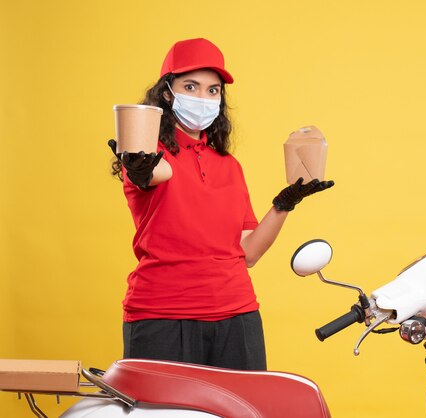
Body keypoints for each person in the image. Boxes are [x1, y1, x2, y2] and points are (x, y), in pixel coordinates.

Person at [108, 38, 334, 371]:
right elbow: (158, 172)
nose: (203, 98)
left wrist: (285, 203)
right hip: (163, 317)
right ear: (167, 92)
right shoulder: (146, 154)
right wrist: (137, 165)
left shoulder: (229, 166)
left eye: (213, 91)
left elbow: (250, 253)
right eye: (191, 86)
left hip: (237, 315)